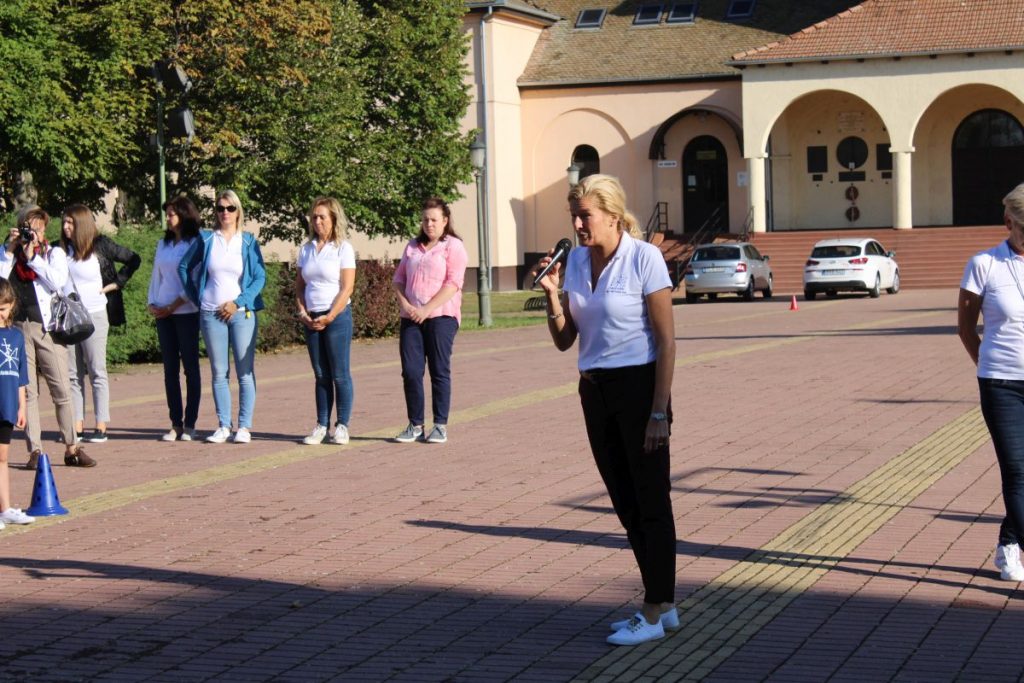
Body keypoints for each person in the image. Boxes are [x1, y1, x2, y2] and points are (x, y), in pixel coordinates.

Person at [534, 174, 677, 646]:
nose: (577, 224)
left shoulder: (644, 258)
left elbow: (666, 340)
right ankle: (665, 602)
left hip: (639, 387)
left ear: (613, 215)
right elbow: (564, 340)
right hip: (593, 390)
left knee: (650, 499)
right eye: (574, 215)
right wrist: (553, 295)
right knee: (624, 499)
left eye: (585, 215)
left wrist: (660, 411)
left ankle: (652, 613)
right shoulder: (575, 261)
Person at [958, 181, 1024, 582]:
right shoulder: (984, 264)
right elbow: (966, 327)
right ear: (1008, 222)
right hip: (1001, 384)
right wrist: (987, 364)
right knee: (1017, 471)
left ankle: (1009, 543)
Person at [0, 206, 95, 468]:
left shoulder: (54, 254)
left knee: (61, 388)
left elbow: (57, 282)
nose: (35, 234)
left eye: (39, 229)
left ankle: (72, 447)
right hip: (18, 329)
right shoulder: (10, 256)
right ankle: (35, 451)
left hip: (48, 328)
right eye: (30, 228)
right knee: (28, 392)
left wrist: (33, 258)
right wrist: (9, 250)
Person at [178, 190, 265, 444]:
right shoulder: (206, 239)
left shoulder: (248, 242)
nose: (225, 213)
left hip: (241, 313)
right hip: (211, 312)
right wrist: (198, 298)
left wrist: (239, 302)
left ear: (238, 211)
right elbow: (184, 267)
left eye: (230, 208)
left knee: (245, 371)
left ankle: (244, 427)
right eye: (220, 208)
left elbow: (260, 277)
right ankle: (224, 425)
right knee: (218, 372)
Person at [60, 204, 141, 443]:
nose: (65, 227)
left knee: (97, 370)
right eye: (64, 222)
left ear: (82, 224)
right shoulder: (60, 250)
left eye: (70, 223)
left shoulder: (101, 245)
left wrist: (116, 284)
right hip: (69, 317)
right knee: (73, 374)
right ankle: (77, 425)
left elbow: (133, 259)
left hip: (95, 314)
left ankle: (101, 425)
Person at [391, 197, 467, 445]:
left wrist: (427, 309)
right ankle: (415, 424)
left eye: (434, 220)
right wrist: (406, 305)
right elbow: (399, 279)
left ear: (445, 221)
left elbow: (453, 283)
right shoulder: (412, 246)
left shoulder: (453, 246)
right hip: (411, 317)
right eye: (425, 220)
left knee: (438, 369)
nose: (429, 224)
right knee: (411, 371)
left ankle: (440, 425)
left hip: (441, 317)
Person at [295, 197, 356, 446]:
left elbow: (347, 287)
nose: (317, 221)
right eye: (314, 217)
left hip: (336, 317)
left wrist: (330, 315)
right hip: (311, 318)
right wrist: (303, 313)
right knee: (320, 374)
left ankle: (342, 425)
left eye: (323, 217)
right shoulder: (306, 249)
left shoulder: (343, 248)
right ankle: (321, 424)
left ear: (334, 220)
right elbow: (299, 287)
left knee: (339, 374)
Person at [148, 196, 202, 442]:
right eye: (167, 214)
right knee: (170, 369)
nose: (168, 218)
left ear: (184, 214)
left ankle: (190, 423)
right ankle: (175, 423)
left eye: (172, 213)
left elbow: (195, 279)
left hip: (185, 312)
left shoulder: (195, 243)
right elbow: (156, 276)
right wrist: (153, 301)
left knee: (190, 368)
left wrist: (174, 305)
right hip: (164, 314)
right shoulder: (163, 244)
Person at [0, 278, 35, 527]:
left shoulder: (16, 336)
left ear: (11, 306)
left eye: (2, 308)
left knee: (2, 458)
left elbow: (21, 377)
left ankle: (5, 508)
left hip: (8, 406)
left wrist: (21, 407)